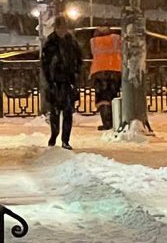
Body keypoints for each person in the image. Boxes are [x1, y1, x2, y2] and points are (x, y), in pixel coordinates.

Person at [42, 16, 83, 149]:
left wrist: (76, 74)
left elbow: (79, 58)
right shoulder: (50, 42)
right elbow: (45, 63)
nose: (63, 31)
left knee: (68, 111)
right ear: (56, 28)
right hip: (55, 82)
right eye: (60, 28)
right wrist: (50, 80)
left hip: (68, 81)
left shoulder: (71, 42)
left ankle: (65, 139)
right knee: (55, 112)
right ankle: (54, 134)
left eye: (64, 28)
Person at [89, 26, 122, 131]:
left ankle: (106, 122)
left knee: (102, 99)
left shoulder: (93, 41)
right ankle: (114, 121)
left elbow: (92, 53)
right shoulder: (116, 38)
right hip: (115, 70)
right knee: (112, 97)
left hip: (98, 71)